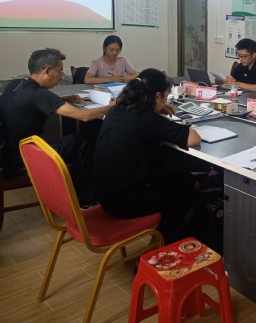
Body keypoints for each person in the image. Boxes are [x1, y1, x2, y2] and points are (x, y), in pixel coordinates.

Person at [93, 68, 205, 243]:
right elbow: (193, 138)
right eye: (165, 97)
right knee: (184, 186)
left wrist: (156, 111)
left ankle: (162, 239)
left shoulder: (117, 109)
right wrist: (156, 115)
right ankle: (164, 242)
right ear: (157, 96)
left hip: (105, 195)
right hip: (125, 202)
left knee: (174, 176)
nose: (165, 101)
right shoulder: (146, 119)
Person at [0, 48, 111, 203]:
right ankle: (87, 198)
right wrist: (111, 106)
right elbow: (84, 116)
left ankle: (79, 192)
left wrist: (65, 99)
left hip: (7, 156)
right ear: (47, 70)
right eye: (60, 72)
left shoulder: (15, 84)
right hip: (26, 160)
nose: (61, 76)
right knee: (80, 141)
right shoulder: (39, 94)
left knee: (73, 142)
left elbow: (31, 104)